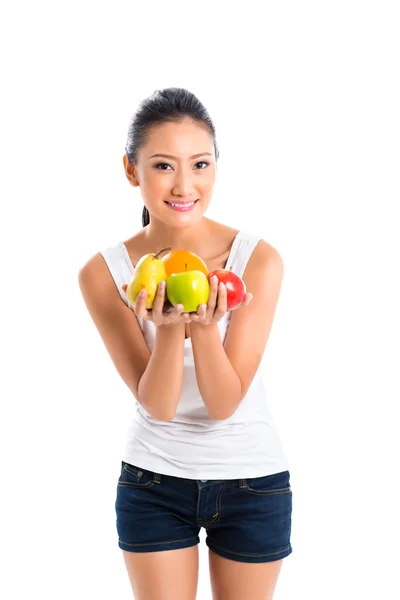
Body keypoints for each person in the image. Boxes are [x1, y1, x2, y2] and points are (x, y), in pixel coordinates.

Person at [78, 87, 293, 600]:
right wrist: (170, 328)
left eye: (199, 164)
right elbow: (158, 404)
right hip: (153, 480)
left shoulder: (257, 260)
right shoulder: (104, 273)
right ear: (132, 171)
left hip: (252, 481)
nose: (185, 185)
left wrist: (202, 324)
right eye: (163, 166)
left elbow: (222, 405)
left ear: (216, 167)